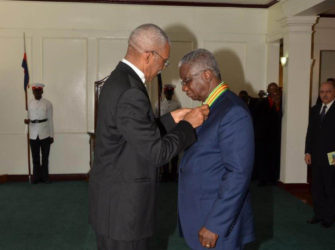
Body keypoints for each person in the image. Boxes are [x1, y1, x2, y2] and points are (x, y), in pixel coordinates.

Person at [88, 24, 209, 250]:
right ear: (149, 56)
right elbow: (157, 152)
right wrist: (187, 126)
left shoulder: (119, 80)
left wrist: (172, 119)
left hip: (114, 203)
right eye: (164, 61)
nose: (163, 67)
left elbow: (134, 134)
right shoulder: (131, 90)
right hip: (124, 212)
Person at [178, 49, 255, 250]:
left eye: (187, 81)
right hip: (202, 211)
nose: (184, 88)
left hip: (218, 222)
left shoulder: (233, 111)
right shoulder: (213, 107)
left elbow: (238, 174)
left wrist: (215, 225)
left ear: (207, 75)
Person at [305, 80, 335, 228]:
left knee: (330, 186)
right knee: (316, 187)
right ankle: (318, 214)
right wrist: (307, 151)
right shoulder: (314, 109)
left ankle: (329, 217)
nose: (325, 94)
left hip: (333, 157)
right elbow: (310, 133)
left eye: (328, 91)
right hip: (316, 156)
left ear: (334, 92)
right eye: (322, 92)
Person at [24, 83, 54, 184]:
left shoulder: (48, 103)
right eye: (35, 91)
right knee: (35, 157)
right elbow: (29, 117)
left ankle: (45, 177)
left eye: (38, 91)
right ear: (32, 92)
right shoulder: (30, 103)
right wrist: (27, 122)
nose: (37, 93)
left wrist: (51, 135)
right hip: (33, 133)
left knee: (45, 157)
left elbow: (50, 120)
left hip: (45, 133)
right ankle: (36, 177)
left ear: (42, 91)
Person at [255, 82, 282, 186]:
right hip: (262, 136)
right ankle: (262, 179)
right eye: (271, 90)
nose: (273, 92)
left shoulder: (281, 102)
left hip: (275, 136)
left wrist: (277, 105)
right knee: (262, 158)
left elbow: (280, 117)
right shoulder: (262, 102)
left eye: (275, 90)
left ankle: (273, 178)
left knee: (273, 157)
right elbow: (257, 117)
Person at [155, 84, 181, 182]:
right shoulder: (159, 104)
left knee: (174, 153)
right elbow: (156, 116)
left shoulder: (177, 104)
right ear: (164, 93)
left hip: (174, 130)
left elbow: (180, 117)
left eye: (171, 92)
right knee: (165, 152)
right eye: (167, 92)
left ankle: (173, 174)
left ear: (172, 93)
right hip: (163, 131)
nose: (169, 94)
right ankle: (165, 174)